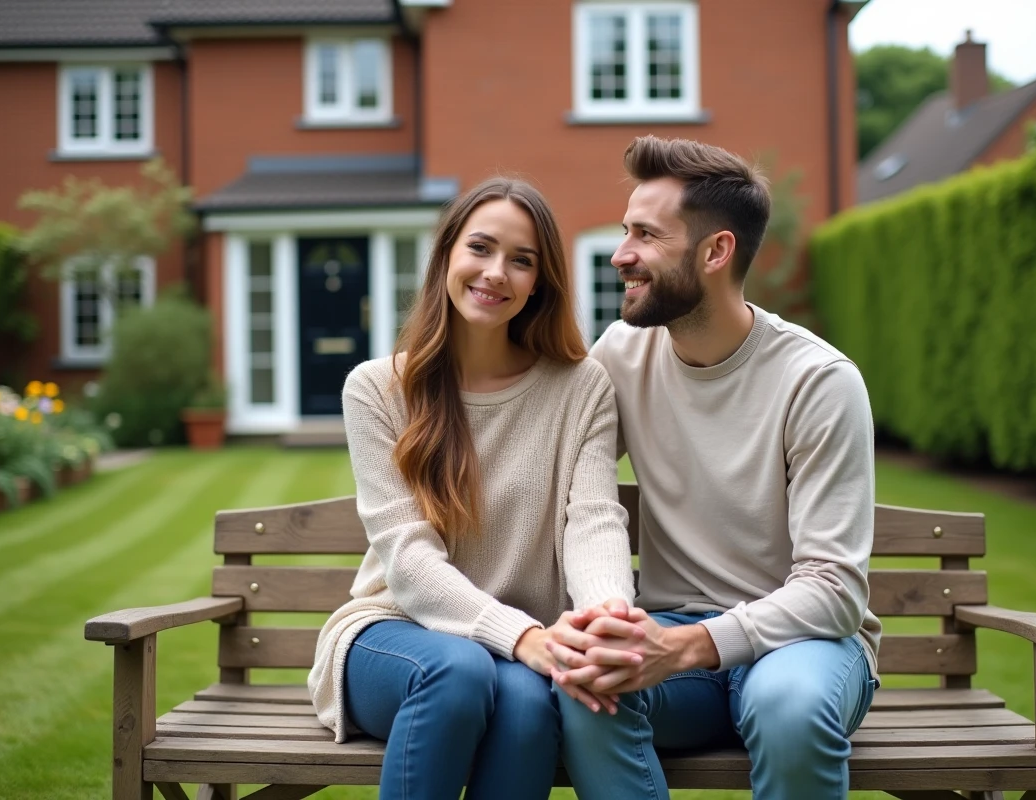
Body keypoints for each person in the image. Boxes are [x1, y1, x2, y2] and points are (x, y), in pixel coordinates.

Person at [546, 136, 884, 799]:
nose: (621, 255)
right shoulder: (623, 354)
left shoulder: (817, 381)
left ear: (715, 251)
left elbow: (835, 590)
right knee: (589, 685)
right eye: (624, 233)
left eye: (644, 235)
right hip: (673, 641)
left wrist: (693, 645)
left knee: (790, 709)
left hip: (803, 646)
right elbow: (558, 477)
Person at [308, 177, 638, 800]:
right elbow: (407, 560)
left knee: (525, 701)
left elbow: (594, 519)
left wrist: (602, 620)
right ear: (446, 257)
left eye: (522, 260)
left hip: (523, 655)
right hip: (393, 634)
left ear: (541, 281)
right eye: (480, 249)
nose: (496, 273)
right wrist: (524, 637)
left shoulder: (581, 387)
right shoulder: (377, 389)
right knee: (459, 670)